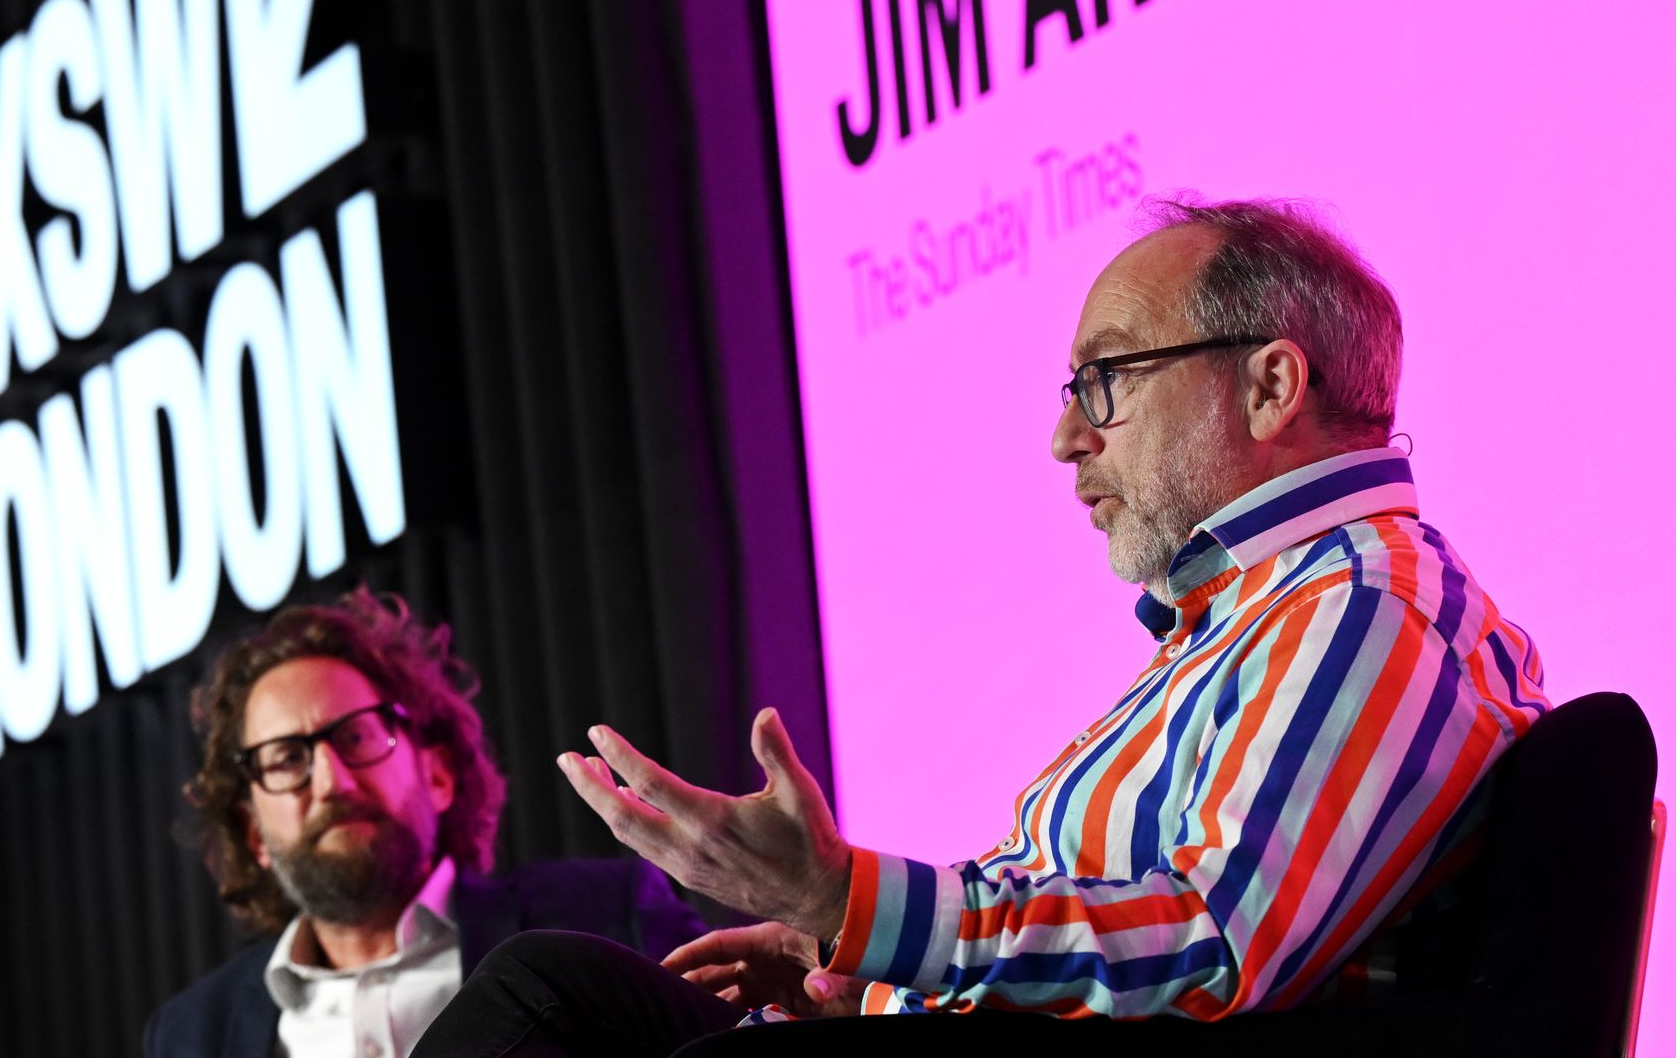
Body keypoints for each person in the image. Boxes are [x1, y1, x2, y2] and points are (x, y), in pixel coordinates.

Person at [409, 198, 1549, 1055]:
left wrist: (849, 901)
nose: (1067, 440)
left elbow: (1212, 948)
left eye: (1104, 381)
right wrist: (855, 962)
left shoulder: (1365, 608)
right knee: (555, 995)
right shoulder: (1250, 624)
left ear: (1269, 385)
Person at [144, 589, 706, 1058]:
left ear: (437, 774)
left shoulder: (607, 916)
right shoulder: (189, 1037)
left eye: (356, 736)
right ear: (252, 835)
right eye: (287, 758)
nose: (331, 780)